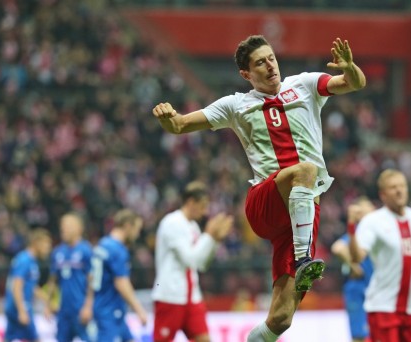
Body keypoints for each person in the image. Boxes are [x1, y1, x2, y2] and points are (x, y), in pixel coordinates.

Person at [152, 35, 366, 341]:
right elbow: (181, 125)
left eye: (271, 58)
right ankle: (305, 260)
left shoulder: (304, 84)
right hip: (266, 202)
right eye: (259, 63)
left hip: (302, 215)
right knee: (306, 169)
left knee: (281, 318)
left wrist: (350, 67)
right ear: (246, 74)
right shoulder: (236, 105)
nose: (269, 66)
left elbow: (354, 83)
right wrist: (167, 118)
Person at [349, 169, 411, 342]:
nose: (399, 191)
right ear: (383, 194)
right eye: (393, 187)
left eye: (402, 186)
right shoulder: (373, 221)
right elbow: (357, 257)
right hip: (383, 307)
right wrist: (352, 229)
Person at [152, 181, 233, 342]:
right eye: (202, 206)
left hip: (192, 297)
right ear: (190, 202)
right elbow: (190, 259)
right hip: (171, 296)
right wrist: (209, 235)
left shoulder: (193, 227)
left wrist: (215, 240)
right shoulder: (172, 223)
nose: (205, 211)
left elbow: (201, 264)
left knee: (204, 339)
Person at [90, 209, 149, 342]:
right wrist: (139, 309)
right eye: (136, 229)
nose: (137, 234)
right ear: (128, 226)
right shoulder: (117, 249)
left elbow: (91, 277)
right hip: (109, 310)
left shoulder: (103, 244)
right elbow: (121, 282)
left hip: (105, 305)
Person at [331, 198, 374, 342]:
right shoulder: (356, 235)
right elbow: (337, 248)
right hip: (358, 289)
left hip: (373, 289)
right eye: (366, 208)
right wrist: (353, 266)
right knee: (359, 335)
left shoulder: (374, 234)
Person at [45, 213, 93, 342]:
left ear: (78, 228)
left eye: (66, 226)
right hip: (63, 311)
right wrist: (48, 304)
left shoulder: (86, 250)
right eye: (62, 227)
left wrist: (88, 306)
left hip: (81, 308)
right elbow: (53, 281)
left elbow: (92, 281)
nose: (63, 230)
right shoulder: (57, 252)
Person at [4, 229, 53, 342]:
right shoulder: (24, 260)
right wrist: (21, 310)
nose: (48, 248)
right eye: (46, 244)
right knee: (35, 338)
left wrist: (46, 300)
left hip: (14, 307)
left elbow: (32, 287)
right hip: (21, 306)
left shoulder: (32, 261)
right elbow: (16, 286)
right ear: (36, 243)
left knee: (8, 338)